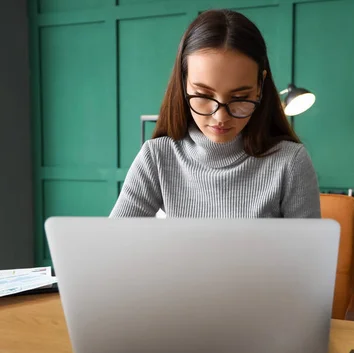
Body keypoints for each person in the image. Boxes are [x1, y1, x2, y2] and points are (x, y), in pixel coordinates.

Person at [110, 9, 321, 218]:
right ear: (183, 84)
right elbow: (113, 245)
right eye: (203, 95)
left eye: (239, 98)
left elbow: (312, 252)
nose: (220, 117)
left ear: (260, 86)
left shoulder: (290, 162)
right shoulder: (157, 157)